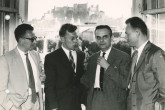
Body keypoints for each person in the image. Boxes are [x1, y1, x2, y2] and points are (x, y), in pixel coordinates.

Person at [81, 25, 131, 110]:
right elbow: (86, 82)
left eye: (105, 37)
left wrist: (107, 67)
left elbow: (124, 83)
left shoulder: (123, 57)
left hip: (113, 102)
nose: (101, 40)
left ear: (111, 38)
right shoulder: (92, 59)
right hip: (94, 100)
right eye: (98, 37)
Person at [0, 24, 43, 110]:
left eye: (35, 38)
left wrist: (41, 77)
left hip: (36, 102)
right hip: (18, 105)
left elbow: (38, 76)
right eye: (32, 39)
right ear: (21, 39)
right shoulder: (5, 59)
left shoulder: (36, 55)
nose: (35, 42)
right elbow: (1, 90)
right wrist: (11, 107)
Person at [125, 17, 165, 110]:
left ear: (137, 33)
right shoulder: (135, 54)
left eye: (128, 34)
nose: (126, 38)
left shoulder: (156, 54)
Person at [44, 23, 86, 110]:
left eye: (76, 38)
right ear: (62, 39)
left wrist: (83, 102)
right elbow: (49, 86)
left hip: (77, 106)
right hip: (59, 105)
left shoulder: (81, 55)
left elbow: (83, 81)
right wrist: (54, 107)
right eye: (72, 38)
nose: (75, 41)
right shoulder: (51, 58)